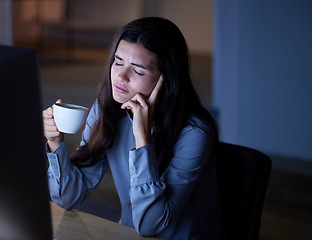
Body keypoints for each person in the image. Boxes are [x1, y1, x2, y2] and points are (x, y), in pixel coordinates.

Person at [43, 17, 226, 240]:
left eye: (138, 71)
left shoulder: (194, 134)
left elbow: (150, 226)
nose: (121, 76)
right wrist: (55, 142)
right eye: (118, 62)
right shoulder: (106, 111)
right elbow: (68, 197)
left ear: (165, 80)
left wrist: (143, 139)